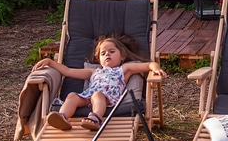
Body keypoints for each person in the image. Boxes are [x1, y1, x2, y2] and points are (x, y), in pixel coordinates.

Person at [33, 35, 165, 131]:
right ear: (99, 59)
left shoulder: (124, 69)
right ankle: (62, 117)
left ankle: (95, 118)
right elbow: (68, 71)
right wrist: (50, 62)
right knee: (72, 96)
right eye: (103, 53)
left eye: (112, 52)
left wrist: (156, 68)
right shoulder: (93, 71)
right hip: (88, 98)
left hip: (108, 99)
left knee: (97, 95)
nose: (107, 54)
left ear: (123, 56)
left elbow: (149, 65)